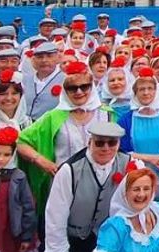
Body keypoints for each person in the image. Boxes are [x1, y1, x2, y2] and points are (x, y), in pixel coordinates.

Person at [42, 121, 130, 252]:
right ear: (90, 142)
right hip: (71, 234)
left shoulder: (128, 164)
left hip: (104, 238)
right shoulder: (69, 170)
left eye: (112, 143)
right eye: (99, 143)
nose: (106, 148)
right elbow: (55, 215)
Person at [18, 61, 116, 207]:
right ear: (65, 91)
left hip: (102, 184)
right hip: (64, 185)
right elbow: (21, 142)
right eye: (72, 88)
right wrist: (43, 162)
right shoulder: (53, 117)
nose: (79, 92)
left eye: (84, 87)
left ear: (92, 87)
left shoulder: (107, 114)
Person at [118, 67, 159, 204]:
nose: (146, 93)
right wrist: (151, 158)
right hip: (136, 179)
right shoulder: (127, 120)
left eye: (150, 88)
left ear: (156, 90)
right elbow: (121, 152)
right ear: (135, 93)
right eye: (142, 89)